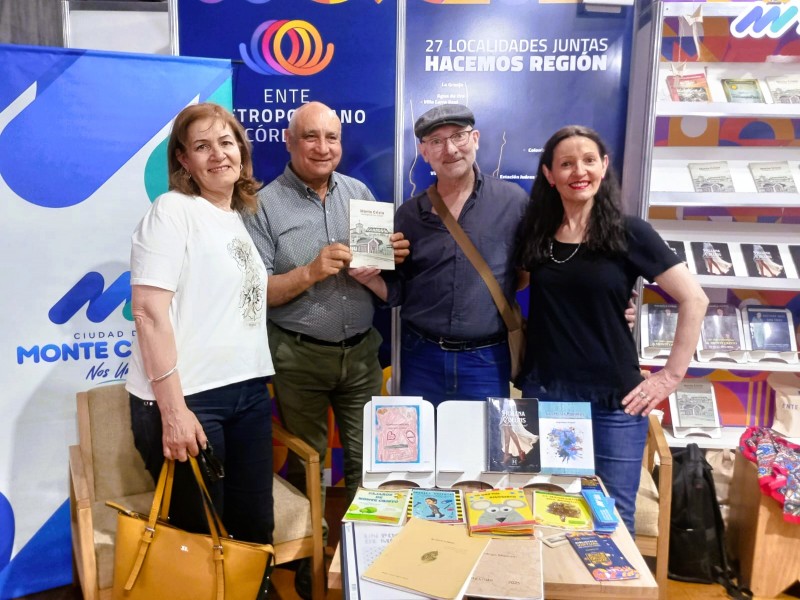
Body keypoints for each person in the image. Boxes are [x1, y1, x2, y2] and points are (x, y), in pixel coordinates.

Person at [244, 102, 409, 595]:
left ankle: (363, 551)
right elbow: (257, 293)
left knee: (367, 460)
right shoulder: (261, 205)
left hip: (361, 354)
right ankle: (310, 555)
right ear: (289, 142)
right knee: (309, 460)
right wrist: (311, 272)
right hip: (298, 355)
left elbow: (381, 272)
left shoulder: (359, 194)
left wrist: (390, 260)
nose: (322, 147)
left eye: (331, 137)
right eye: (310, 137)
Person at [516, 125, 708, 534]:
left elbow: (695, 299)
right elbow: (518, 288)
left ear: (604, 166)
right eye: (566, 164)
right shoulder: (537, 234)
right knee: (554, 512)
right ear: (549, 174)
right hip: (549, 393)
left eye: (588, 160)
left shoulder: (628, 232)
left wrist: (670, 376)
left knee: (613, 520)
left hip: (616, 403)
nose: (579, 171)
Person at [125, 102, 275, 546]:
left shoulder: (235, 218)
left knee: (254, 533)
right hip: (190, 400)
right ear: (183, 160)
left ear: (241, 152)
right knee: (201, 543)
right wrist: (174, 412)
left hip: (248, 391)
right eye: (202, 146)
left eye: (226, 143)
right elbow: (148, 312)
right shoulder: (172, 211)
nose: (218, 154)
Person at [368, 104, 530, 405]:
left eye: (458, 136)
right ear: (424, 152)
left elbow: (528, 273)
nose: (450, 149)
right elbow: (398, 291)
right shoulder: (409, 215)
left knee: (484, 438)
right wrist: (368, 279)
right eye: (436, 141)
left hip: (486, 361)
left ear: (475, 139)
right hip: (420, 358)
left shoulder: (514, 203)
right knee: (421, 437)